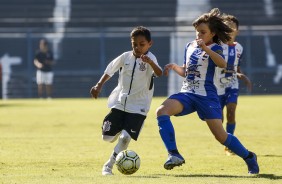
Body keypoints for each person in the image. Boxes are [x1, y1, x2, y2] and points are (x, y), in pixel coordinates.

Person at [156, 8, 259, 174]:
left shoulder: (216, 48)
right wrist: (175, 67)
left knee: (221, 137)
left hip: (206, 96)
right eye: (197, 32)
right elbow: (186, 72)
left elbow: (222, 64)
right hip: (188, 93)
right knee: (161, 111)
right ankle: (174, 154)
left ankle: (249, 157)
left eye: (203, 32)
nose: (199, 35)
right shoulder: (189, 46)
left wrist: (206, 49)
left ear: (212, 33)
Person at [90, 26, 162, 175]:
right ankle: (118, 132)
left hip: (139, 107)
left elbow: (159, 73)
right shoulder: (125, 56)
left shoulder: (151, 58)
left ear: (150, 44)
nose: (137, 47)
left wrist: (150, 63)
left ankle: (108, 166)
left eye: (142, 44)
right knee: (107, 137)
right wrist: (98, 86)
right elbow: (110, 69)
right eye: (134, 44)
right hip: (120, 102)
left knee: (125, 138)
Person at [214, 14, 252, 156]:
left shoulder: (239, 48)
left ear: (237, 31)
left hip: (232, 84)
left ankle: (230, 146)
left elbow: (236, 66)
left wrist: (241, 75)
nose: (229, 28)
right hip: (216, 86)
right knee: (219, 119)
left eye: (232, 26)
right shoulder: (217, 46)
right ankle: (227, 140)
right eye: (226, 25)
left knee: (231, 111)